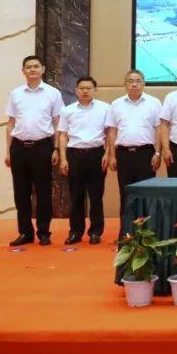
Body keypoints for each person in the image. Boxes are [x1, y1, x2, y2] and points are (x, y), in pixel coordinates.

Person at [4, 55, 64, 246]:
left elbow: (58, 123)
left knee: (43, 192)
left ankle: (44, 232)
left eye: (36, 66)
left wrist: (56, 149)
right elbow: (10, 123)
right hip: (19, 148)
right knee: (20, 192)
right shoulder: (15, 94)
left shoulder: (53, 93)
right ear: (23, 71)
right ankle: (25, 232)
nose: (32, 70)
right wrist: (8, 151)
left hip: (43, 147)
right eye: (28, 67)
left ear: (43, 69)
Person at [56, 76, 110, 245]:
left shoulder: (105, 108)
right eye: (82, 88)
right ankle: (75, 231)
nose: (85, 91)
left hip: (96, 154)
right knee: (76, 196)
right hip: (75, 155)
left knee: (96, 196)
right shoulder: (68, 110)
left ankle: (95, 231)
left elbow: (109, 133)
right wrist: (63, 159)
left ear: (95, 90)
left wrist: (108, 154)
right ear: (76, 91)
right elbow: (63, 135)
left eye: (89, 88)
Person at [105, 69, 162, 215]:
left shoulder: (154, 103)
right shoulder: (116, 104)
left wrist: (157, 153)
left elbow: (159, 129)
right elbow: (112, 131)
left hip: (146, 154)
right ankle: (126, 228)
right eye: (131, 81)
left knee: (146, 193)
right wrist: (112, 156)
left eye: (138, 81)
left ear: (144, 84)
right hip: (123, 154)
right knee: (126, 193)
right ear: (125, 84)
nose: (134, 84)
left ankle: (146, 228)